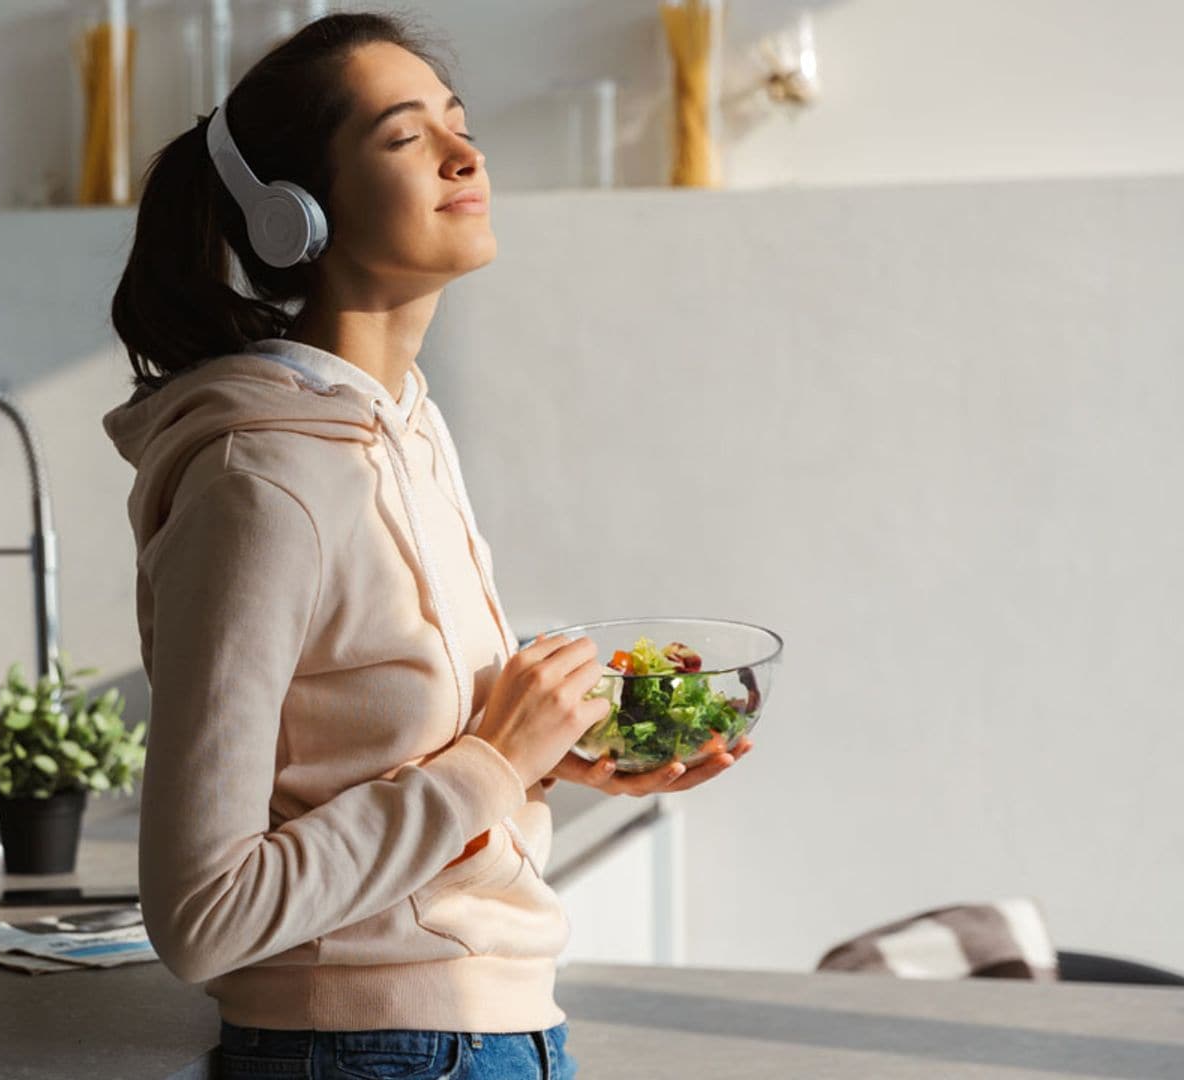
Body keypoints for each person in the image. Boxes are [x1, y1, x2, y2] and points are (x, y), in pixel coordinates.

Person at [100, 12, 753, 1078]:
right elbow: (203, 915)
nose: (466, 154)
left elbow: (385, 758)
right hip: (365, 1050)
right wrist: (493, 765)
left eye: (460, 124)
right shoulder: (261, 482)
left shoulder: (402, 426)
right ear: (290, 217)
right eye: (406, 137)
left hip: (493, 1036)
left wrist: (556, 757)